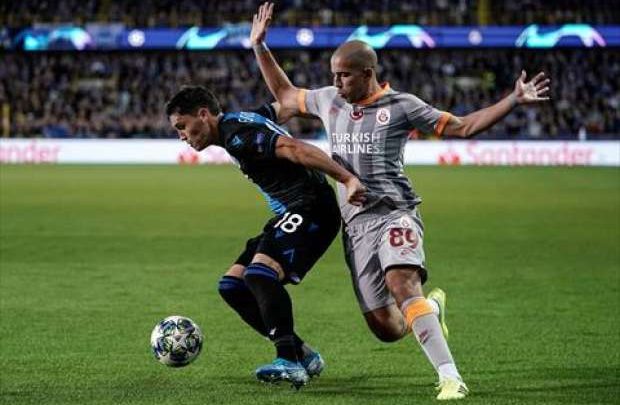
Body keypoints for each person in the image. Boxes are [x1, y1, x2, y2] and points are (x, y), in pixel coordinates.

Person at [250, 2, 551, 400]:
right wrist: (259, 46)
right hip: (356, 226)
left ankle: (450, 377)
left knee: (402, 284)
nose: (336, 83)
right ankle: (432, 310)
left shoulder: (403, 106)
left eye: (344, 76)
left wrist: (512, 100)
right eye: (334, 75)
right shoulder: (329, 101)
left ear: (368, 73)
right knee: (387, 328)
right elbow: (287, 95)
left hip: (396, 213)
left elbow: (463, 127)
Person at [165, 85, 366, 388]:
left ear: (203, 114)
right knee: (232, 286)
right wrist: (263, 55)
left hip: (311, 207)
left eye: (182, 126)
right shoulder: (241, 120)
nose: (182, 135)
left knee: (260, 275)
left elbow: (295, 149)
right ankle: (303, 354)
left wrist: (348, 179)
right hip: (292, 211)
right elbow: (284, 105)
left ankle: (288, 360)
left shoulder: (239, 136)